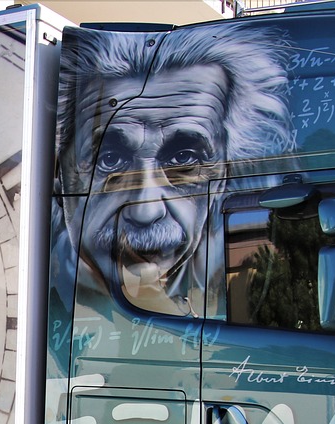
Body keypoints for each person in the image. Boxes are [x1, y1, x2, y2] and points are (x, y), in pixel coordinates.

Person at [55, 23, 296, 317]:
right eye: (111, 160)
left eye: (183, 159)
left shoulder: (226, 298)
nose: (146, 211)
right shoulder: (38, 304)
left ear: (222, 176)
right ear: (60, 175)